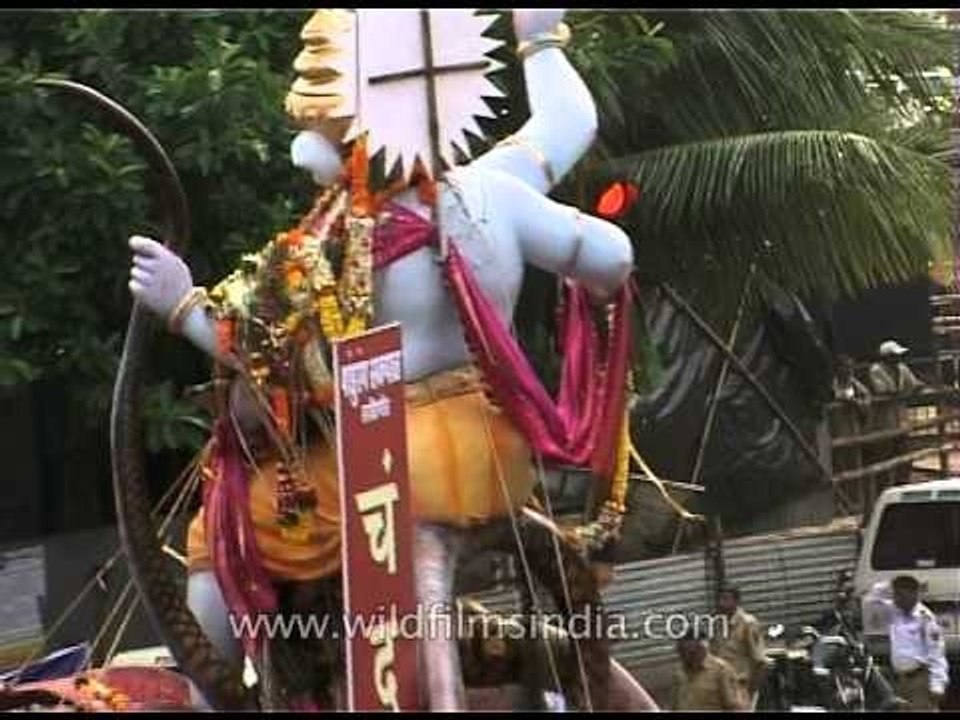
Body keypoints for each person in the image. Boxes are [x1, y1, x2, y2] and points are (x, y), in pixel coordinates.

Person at [126, 8, 634, 711]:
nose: (306, 154)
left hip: (393, 468)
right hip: (498, 455)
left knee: (221, 522)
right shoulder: (494, 189)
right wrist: (539, 39)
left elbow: (249, 338)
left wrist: (179, 303)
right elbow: (602, 224)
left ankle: (206, 698)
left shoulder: (336, 241)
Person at [864, 575, 949, 711]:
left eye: (901, 595)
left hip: (920, 680)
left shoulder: (925, 618)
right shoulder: (894, 611)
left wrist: (937, 685)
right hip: (901, 680)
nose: (896, 599)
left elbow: (936, 653)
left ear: (914, 594)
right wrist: (889, 583)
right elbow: (870, 601)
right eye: (895, 595)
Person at [710, 586, 767, 710]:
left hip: (740, 686)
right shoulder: (716, 623)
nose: (721, 603)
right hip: (719, 688)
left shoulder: (748, 624)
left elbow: (759, 661)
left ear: (736, 601)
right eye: (719, 599)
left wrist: (752, 691)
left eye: (726, 599)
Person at [672, 627, 747, 711]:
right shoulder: (679, 672)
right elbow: (675, 705)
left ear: (700, 648)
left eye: (685, 652)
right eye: (679, 651)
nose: (681, 656)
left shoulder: (721, 671)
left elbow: (735, 708)